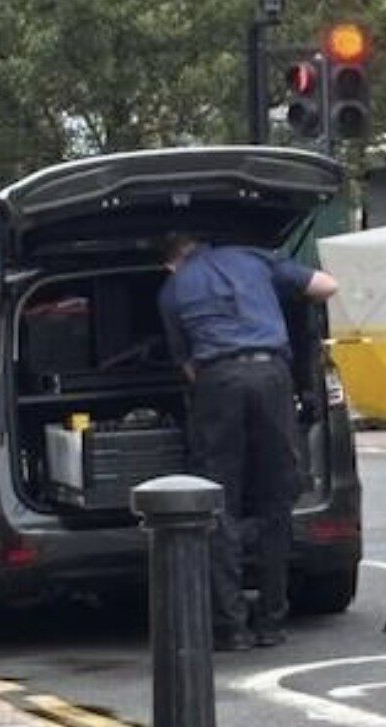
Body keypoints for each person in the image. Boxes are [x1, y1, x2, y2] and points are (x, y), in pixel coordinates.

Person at [158, 233, 338, 652]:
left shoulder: (171, 290)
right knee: (276, 499)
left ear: (170, 262)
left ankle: (231, 624)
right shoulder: (253, 255)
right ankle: (273, 619)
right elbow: (328, 286)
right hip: (272, 376)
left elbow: (186, 366)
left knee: (219, 500)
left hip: (217, 383)